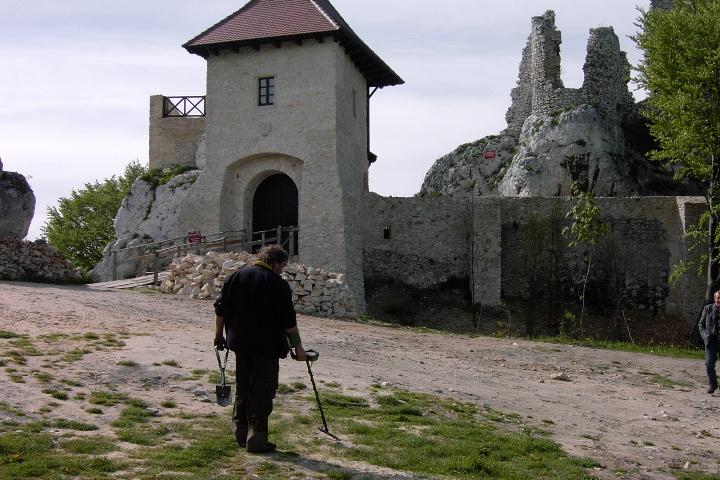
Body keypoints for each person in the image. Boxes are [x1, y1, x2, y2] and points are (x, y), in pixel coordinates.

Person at [213, 245, 307, 453]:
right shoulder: (277, 284)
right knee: (263, 390)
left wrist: (219, 335)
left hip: (240, 343)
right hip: (267, 345)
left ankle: (240, 431)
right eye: (282, 265)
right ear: (274, 262)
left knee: (243, 385)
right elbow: (289, 322)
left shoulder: (236, 277)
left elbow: (221, 309)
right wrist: (298, 348)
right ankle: (256, 438)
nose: (282, 269)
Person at [698, 290, 720, 394]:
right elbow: (701, 324)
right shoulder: (708, 309)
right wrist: (706, 336)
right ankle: (713, 384)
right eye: (718, 298)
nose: (719, 300)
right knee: (709, 363)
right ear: (715, 299)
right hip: (711, 341)